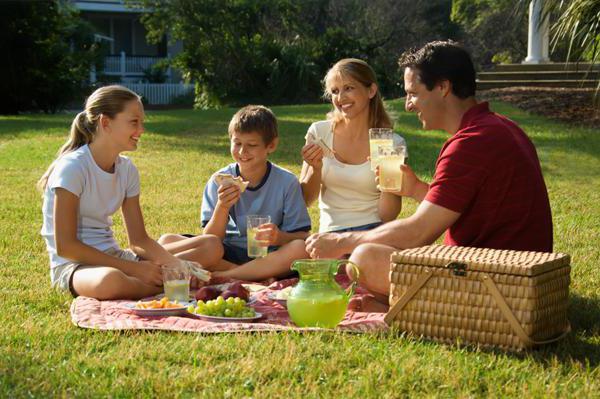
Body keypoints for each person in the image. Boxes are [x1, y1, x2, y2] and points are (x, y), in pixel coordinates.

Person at [305, 41, 553, 308]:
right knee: (378, 253)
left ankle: (414, 307)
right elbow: (461, 209)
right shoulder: (500, 127)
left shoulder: (471, 143)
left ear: (443, 87)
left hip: (501, 282)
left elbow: (418, 232)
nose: (409, 105)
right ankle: (402, 305)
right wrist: (414, 188)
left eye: (413, 93)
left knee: (365, 257)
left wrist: (341, 242)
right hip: (517, 274)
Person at [39, 85, 223, 300]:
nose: (141, 130)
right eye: (134, 122)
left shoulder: (127, 169)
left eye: (142, 122)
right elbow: (66, 247)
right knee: (110, 282)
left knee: (211, 246)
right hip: (76, 267)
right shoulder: (73, 168)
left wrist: (175, 263)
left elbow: (139, 240)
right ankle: (168, 283)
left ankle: (167, 278)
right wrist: (136, 269)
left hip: (116, 258)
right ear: (105, 123)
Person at [161, 105, 311, 281]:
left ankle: (226, 275)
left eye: (251, 145)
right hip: (227, 252)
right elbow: (210, 238)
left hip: (270, 255)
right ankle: (252, 274)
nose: (242, 152)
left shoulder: (287, 182)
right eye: (237, 143)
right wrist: (222, 206)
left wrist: (279, 237)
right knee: (167, 240)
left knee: (301, 248)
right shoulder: (219, 180)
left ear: (271, 145)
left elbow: (303, 235)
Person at [300, 58, 403, 239]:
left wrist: (388, 182)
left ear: (371, 90)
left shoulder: (388, 141)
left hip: (372, 234)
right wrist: (315, 168)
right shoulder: (320, 132)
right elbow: (306, 200)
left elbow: (388, 216)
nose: (340, 98)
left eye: (349, 88)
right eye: (335, 91)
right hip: (330, 235)